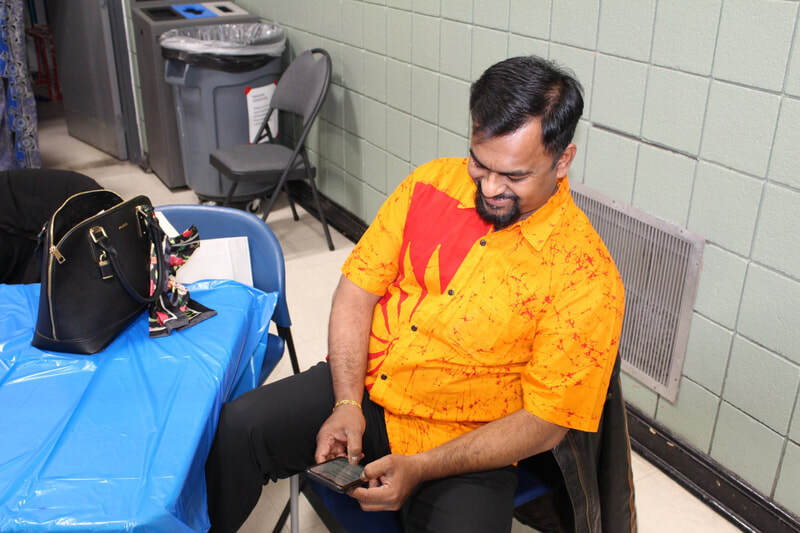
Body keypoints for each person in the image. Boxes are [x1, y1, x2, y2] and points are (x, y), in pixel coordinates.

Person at [205, 55, 627, 533]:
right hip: (368, 387)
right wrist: (346, 404)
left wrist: (422, 466)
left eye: (514, 176)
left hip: (467, 439)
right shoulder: (431, 185)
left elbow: (545, 423)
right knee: (239, 428)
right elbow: (355, 294)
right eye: (480, 163)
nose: (490, 188)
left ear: (563, 160)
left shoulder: (585, 276)